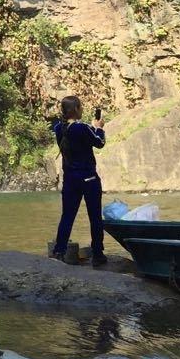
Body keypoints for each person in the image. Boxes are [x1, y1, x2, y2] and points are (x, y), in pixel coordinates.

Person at [51, 94, 107, 267]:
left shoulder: (59, 128)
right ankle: (97, 254)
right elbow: (100, 142)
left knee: (67, 216)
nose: (82, 109)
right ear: (75, 109)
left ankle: (59, 252)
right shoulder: (82, 128)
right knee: (95, 217)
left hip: (70, 179)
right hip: (88, 178)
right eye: (81, 106)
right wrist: (99, 127)